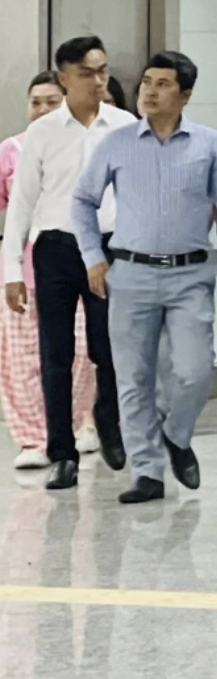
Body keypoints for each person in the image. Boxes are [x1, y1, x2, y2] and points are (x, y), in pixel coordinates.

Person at [69, 51, 217, 503]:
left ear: (185, 95)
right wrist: (92, 257)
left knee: (195, 371)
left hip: (191, 273)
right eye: (146, 82)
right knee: (132, 376)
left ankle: (176, 436)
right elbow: (82, 201)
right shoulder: (117, 143)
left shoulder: (211, 144)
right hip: (130, 273)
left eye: (162, 84)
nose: (150, 91)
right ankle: (147, 471)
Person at [2, 37, 136, 485]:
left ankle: (109, 422)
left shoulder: (124, 125)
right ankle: (61, 452)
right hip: (55, 248)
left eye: (102, 70)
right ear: (64, 78)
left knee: (108, 345)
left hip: (108, 248)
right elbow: (20, 206)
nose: (98, 80)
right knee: (54, 353)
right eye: (86, 73)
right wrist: (11, 273)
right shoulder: (40, 134)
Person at [0, 74, 84, 470]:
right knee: (22, 360)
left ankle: (76, 424)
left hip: (79, 270)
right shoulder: (11, 151)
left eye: (52, 102)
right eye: (36, 102)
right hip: (25, 273)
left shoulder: (85, 146)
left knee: (83, 353)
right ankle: (33, 439)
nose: (42, 110)